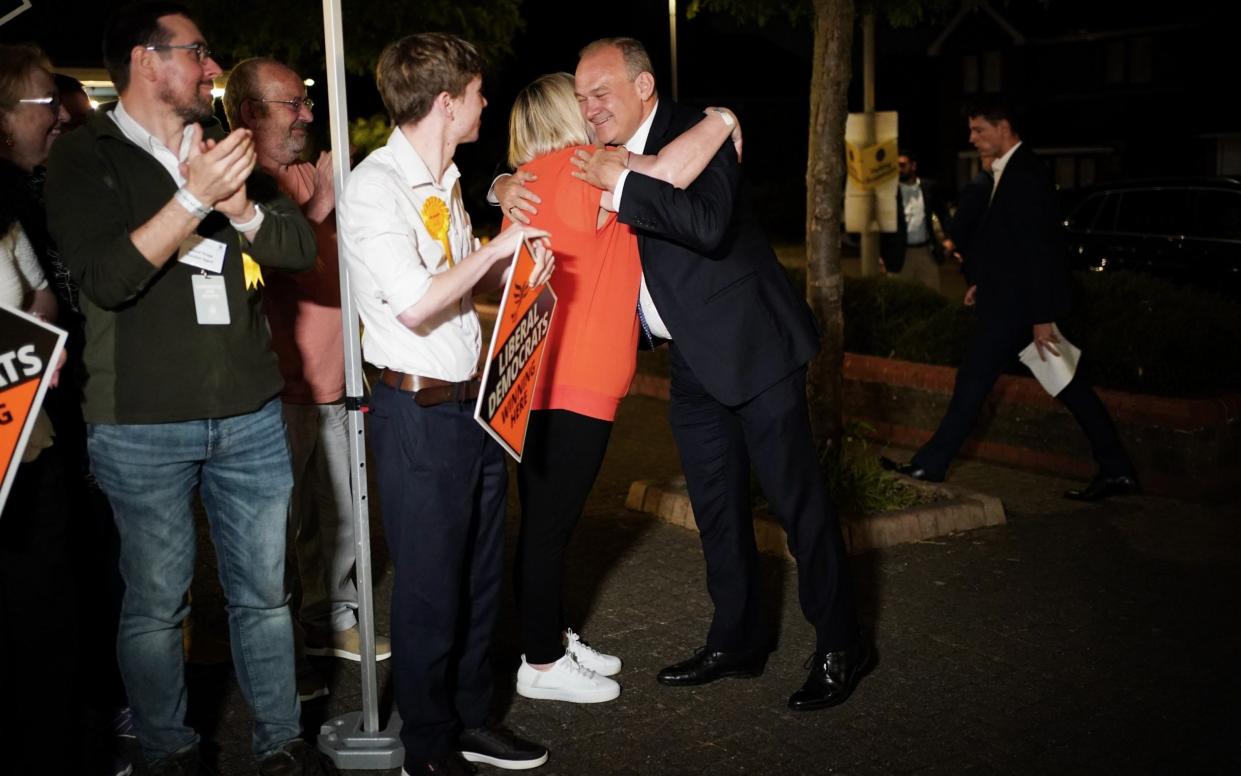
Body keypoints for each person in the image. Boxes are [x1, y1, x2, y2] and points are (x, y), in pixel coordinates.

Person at [502, 37, 871, 712]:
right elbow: (540, 192)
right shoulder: (609, 159)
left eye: (600, 93)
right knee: (717, 509)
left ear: (644, 87)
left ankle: (842, 643)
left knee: (798, 506)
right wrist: (502, 182)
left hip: (753, 351)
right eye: (580, 97)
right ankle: (737, 638)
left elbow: (704, 225)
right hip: (692, 364)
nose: (587, 108)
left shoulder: (694, 135)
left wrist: (633, 171)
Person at [44, 3, 334, 774]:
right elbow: (105, 280)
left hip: (249, 411)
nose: (212, 68)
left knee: (264, 597)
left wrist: (238, 202)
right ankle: (168, 748)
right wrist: (193, 198)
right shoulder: (86, 155)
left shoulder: (225, 148)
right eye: (197, 53)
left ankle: (281, 744)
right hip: (139, 421)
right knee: (155, 604)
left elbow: (297, 246)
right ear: (146, 60)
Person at [338, 32, 553, 775]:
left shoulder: (449, 178)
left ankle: (469, 719)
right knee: (430, 585)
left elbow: (460, 289)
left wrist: (516, 261)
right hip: (416, 414)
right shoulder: (375, 189)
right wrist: (495, 252)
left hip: (474, 405)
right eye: (476, 92)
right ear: (445, 101)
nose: (484, 101)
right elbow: (414, 306)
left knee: (479, 575)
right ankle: (424, 745)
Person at [500, 72, 742, 705]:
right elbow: (664, 174)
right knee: (551, 529)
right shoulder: (581, 169)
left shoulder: (527, 181)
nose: (590, 111)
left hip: (541, 379)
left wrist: (498, 182)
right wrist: (719, 121)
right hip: (577, 382)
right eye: (578, 102)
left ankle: (544, 635)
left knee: (542, 522)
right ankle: (541, 662)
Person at [223, 58, 392, 701]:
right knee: (280, 529)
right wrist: (322, 199)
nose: (307, 115)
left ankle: (334, 619)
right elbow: (269, 259)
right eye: (291, 104)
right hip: (272, 393)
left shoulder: (316, 173)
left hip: (341, 380)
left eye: (306, 102)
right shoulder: (238, 184)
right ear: (248, 112)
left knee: (346, 512)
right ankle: (279, 646)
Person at [880, 96, 1137, 501]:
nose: (972, 138)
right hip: (1008, 302)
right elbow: (1010, 245)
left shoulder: (1026, 174)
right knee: (1060, 384)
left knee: (987, 382)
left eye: (979, 130)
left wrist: (1042, 316)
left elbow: (1041, 250)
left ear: (1003, 128)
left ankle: (931, 463)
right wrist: (983, 281)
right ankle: (1117, 468)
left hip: (1018, 311)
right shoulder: (1009, 171)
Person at [880, 150, 951, 291]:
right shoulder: (890, 191)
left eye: (902, 165)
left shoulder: (928, 187)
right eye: (896, 166)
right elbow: (882, 224)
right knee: (899, 300)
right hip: (899, 255)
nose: (899, 170)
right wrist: (881, 256)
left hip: (926, 252)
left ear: (913, 166)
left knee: (932, 297)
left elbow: (944, 214)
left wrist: (950, 241)